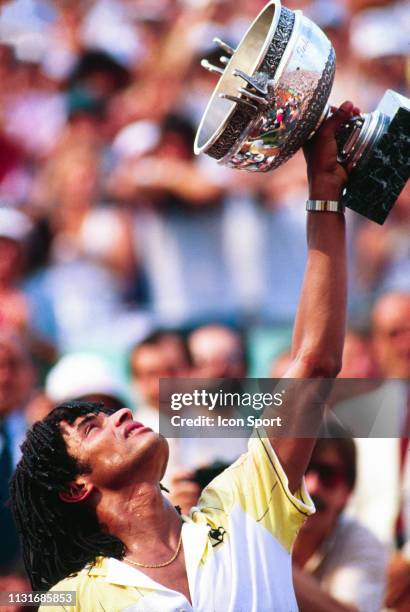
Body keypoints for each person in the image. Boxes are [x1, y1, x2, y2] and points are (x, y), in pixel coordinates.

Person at [10, 101, 356, 611]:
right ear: (75, 487)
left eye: (108, 413)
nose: (120, 414)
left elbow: (314, 362)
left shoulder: (242, 502)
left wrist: (324, 193)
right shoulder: (73, 597)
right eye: (91, 427)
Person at [293, 423, 387, 612]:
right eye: (303, 469)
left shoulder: (362, 543)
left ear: (348, 492)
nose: (312, 487)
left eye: (328, 474)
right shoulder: (253, 523)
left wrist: (270, 563)